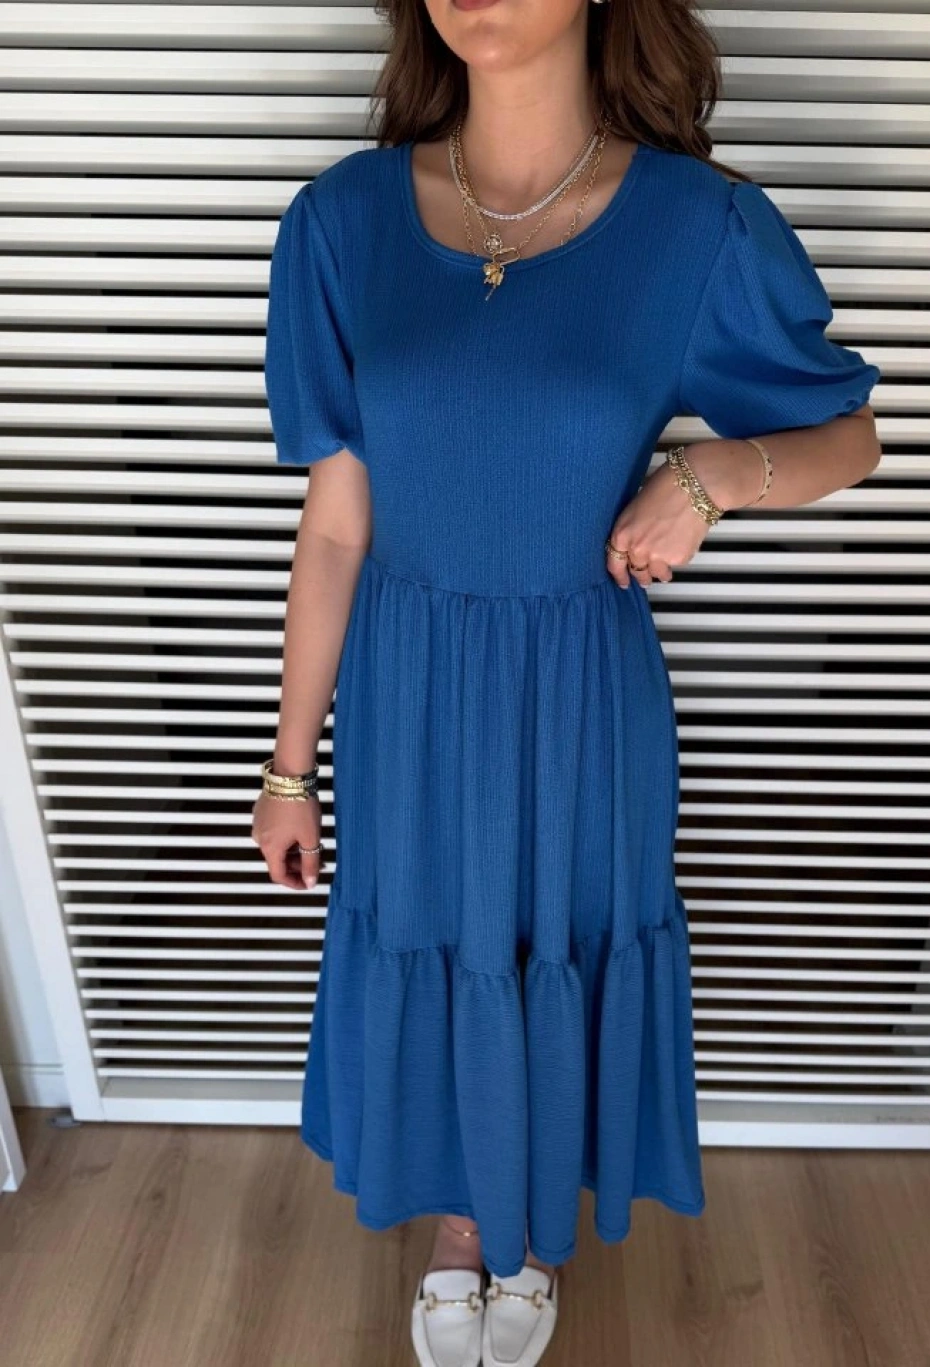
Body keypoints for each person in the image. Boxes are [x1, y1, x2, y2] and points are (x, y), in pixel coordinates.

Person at [254, 0, 882, 1362]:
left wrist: (711, 477)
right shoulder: (341, 223)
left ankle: (527, 1223)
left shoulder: (698, 227)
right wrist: (289, 768)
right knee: (435, 938)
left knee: (554, 946)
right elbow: (337, 525)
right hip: (409, 699)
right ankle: (463, 1223)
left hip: (580, 701)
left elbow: (849, 434)